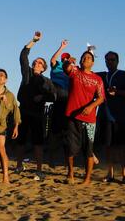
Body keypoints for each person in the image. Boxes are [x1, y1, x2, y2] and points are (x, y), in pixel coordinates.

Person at [15, 31, 59, 181]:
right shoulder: (26, 73)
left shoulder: (47, 81)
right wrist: (34, 41)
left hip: (38, 114)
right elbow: (23, 56)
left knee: (38, 143)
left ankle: (39, 170)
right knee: (20, 141)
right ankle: (19, 165)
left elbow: (54, 96)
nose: (36, 63)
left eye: (40, 63)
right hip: (23, 112)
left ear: (43, 68)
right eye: (35, 61)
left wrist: (43, 96)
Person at [64, 50, 105, 186]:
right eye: (83, 57)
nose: (85, 59)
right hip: (73, 115)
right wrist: (69, 61)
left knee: (88, 149)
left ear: (92, 63)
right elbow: (66, 68)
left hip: (89, 119)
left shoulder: (97, 79)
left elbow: (101, 97)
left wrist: (91, 106)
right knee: (71, 147)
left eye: (88, 58)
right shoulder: (75, 71)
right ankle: (70, 173)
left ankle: (87, 179)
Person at [97, 51, 125, 184]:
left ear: (117, 61)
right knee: (109, 146)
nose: (109, 62)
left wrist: (117, 92)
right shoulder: (101, 76)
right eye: (107, 60)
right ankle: (110, 173)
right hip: (105, 115)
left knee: (123, 146)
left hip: (120, 116)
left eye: (112, 60)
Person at [47, 40, 71, 169]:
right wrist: (61, 47)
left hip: (68, 102)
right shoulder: (57, 66)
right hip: (58, 100)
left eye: (67, 57)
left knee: (68, 134)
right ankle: (51, 159)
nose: (66, 59)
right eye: (64, 58)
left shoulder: (71, 70)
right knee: (55, 133)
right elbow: (53, 59)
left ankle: (68, 162)